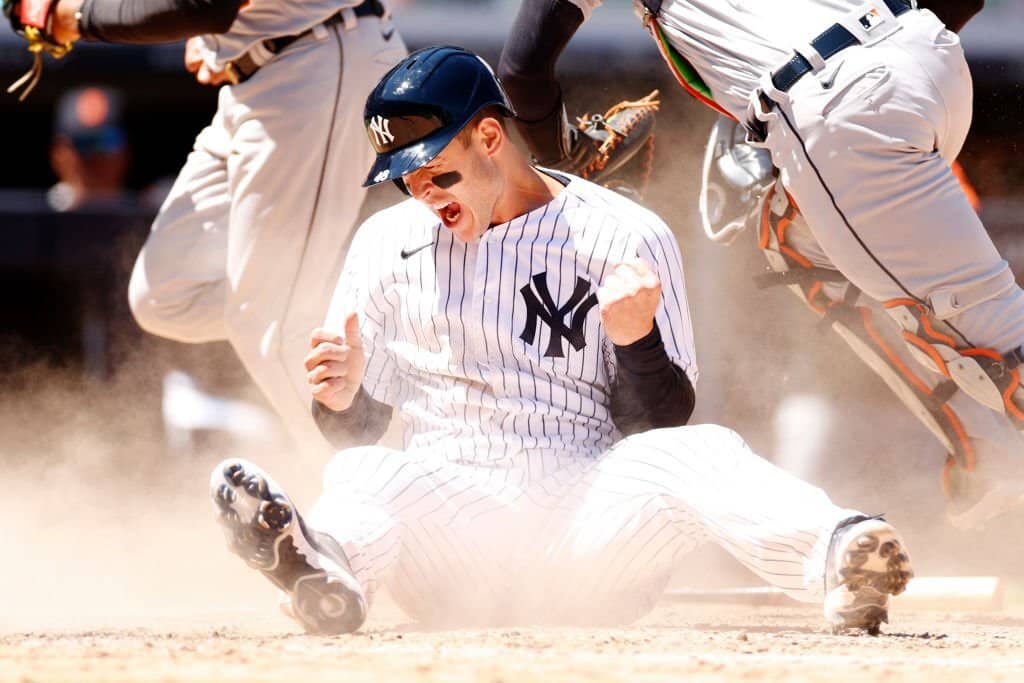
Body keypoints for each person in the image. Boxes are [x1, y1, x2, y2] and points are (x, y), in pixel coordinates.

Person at [209, 46, 913, 637]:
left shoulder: (621, 234)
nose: (422, 190)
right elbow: (359, 430)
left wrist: (636, 341)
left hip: (585, 526)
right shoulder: (384, 243)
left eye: (437, 170)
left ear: (490, 138)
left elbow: (660, 420)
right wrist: (340, 396)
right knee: (363, 473)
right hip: (450, 531)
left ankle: (839, 556)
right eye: (406, 179)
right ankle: (324, 574)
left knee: (698, 452)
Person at [499, 0, 1024, 529]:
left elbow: (521, 70)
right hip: (925, 57)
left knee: (999, 335)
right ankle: (984, 440)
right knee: (795, 236)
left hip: (836, 103)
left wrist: (565, 161)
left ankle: (993, 436)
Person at [34, 0, 408, 455]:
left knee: (269, 326)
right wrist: (221, 38)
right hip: (266, 72)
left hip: (317, 60)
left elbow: (203, 5)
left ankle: (375, 496)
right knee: (164, 295)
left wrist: (69, 15)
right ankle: (361, 325)